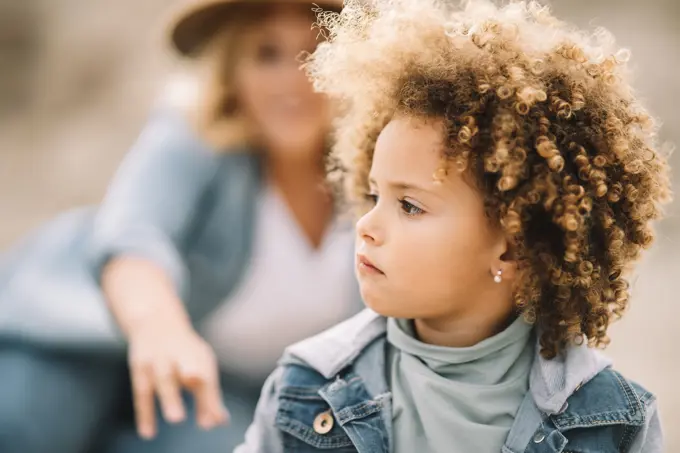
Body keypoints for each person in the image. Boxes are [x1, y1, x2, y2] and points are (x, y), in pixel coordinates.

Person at [234, 0, 673, 451]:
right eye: (373, 195)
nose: (365, 225)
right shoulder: (305, 390)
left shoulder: (611, 423)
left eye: (408, 205)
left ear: (513, 249)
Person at [0, 0, 360, 452]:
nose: (293, 79)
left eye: (316, 52)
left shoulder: (374, 174)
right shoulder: (193, 134)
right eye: (266, 54)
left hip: (213, 386)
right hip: (78, 335)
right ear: (233, 70)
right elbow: (135, 235)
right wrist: (158, 328)